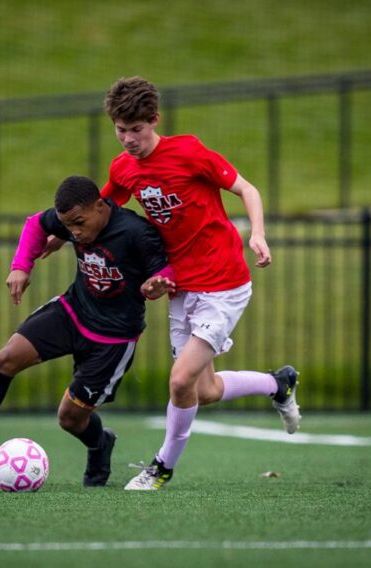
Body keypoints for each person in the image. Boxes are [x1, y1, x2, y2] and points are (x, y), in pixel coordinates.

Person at [101, 76, 300, 490]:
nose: (128, 139)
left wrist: (258, 234)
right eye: (121, 130)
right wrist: (49, 238)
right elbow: (100, 214)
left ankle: (161, 468)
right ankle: (277, 383)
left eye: (136, 130)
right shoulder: (123, 169)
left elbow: (247, 189)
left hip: (224, 282)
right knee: (203, 389)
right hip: (182, 288)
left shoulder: (188, 152)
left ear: (154, 120)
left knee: (179, 380)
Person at [0, 175, 175, 487]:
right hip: (73, 311)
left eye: (79, 223)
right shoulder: (70, 221)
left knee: (69, 418)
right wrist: (20, 265)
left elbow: (162, 273)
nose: (74, 233)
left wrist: (155, 286)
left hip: (112, 338)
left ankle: (100, 444)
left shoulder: (137, 232)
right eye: (68, 227)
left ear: (100, 206)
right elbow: (36, 224)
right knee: (5, 359)